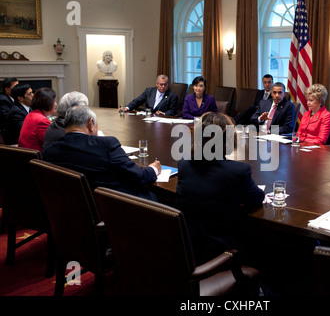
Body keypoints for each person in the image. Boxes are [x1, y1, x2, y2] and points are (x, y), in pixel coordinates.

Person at [176, 112, 265, 265]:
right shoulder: (238, 170)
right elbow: (257, 198)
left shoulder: (184, 164)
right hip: (222, 252)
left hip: (190, 249)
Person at [43, 106, 161, 201]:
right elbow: (139, 176)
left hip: (70, 209)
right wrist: (153, 169)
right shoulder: (106, 145)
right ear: (90, 123)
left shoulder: (50, 150)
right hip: (110, 209)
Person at [18, 87, 56, 152]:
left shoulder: (31, 114)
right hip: (37, 159)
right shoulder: (41, 120)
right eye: (53, 101)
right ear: (46, 102)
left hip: (26, 156)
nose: (56, 104)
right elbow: (52, 144)